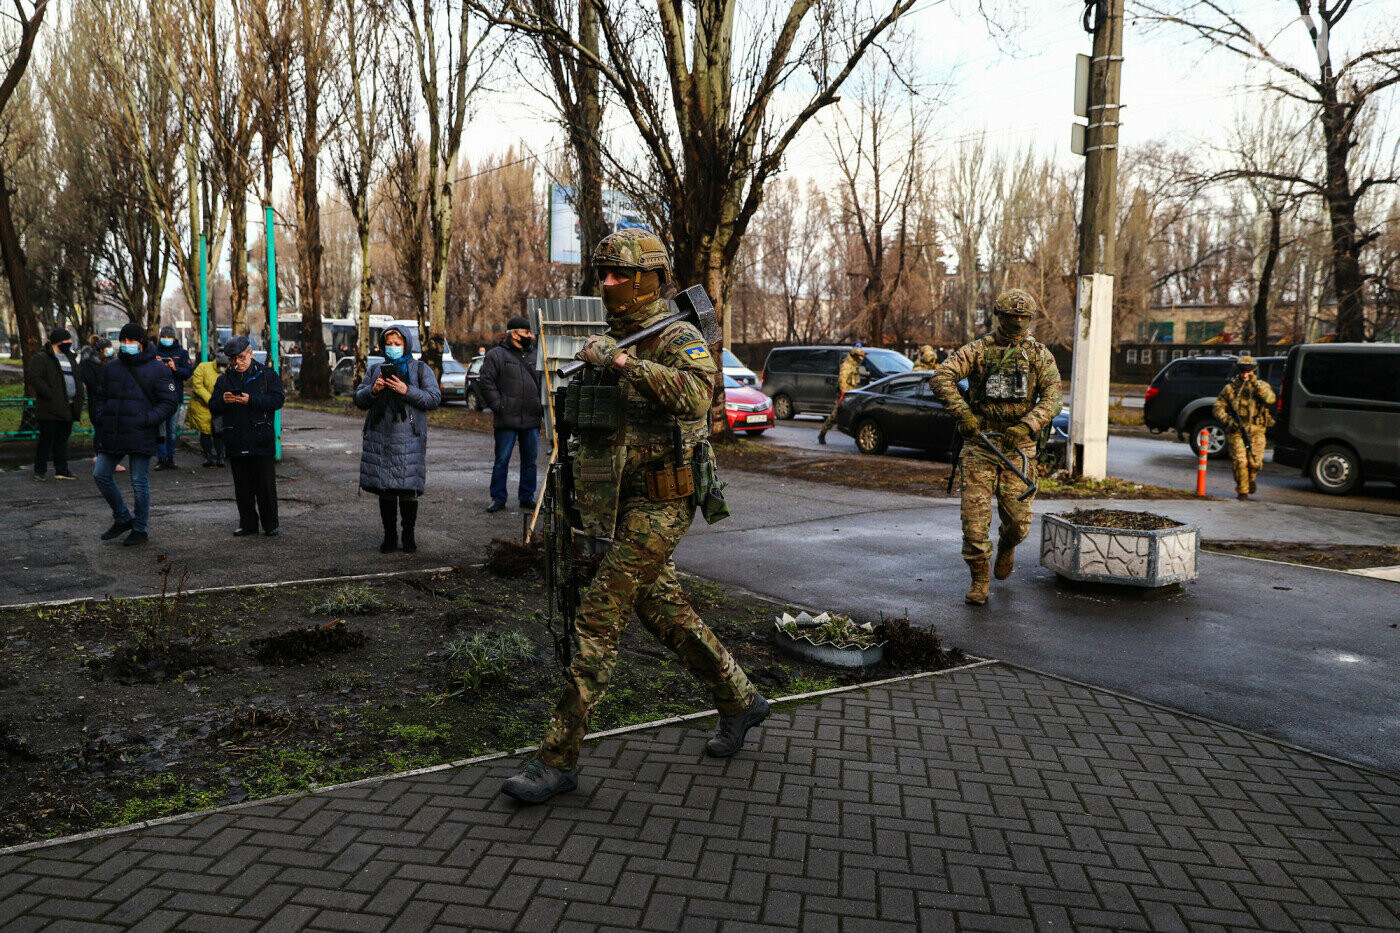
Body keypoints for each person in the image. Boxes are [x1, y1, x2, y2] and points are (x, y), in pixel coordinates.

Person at [501, 229, 768, 805]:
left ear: (648, 277)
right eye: (603, 273)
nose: (607, 283)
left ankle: (557, 758)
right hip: (616, 501)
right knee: (663, 609)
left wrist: (623, 362)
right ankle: (741, 700)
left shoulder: (676, 336)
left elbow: (697, 395)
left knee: (599, 617)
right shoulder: (614, 335)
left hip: (664, 499)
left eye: (619, 274)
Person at [930, 289, 1062, 605]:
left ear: (1030, 319)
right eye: (1011, 316)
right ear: (998, 316)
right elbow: (941, 377)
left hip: (1020, 449)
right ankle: (979, 579)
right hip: (980, 446)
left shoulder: (1039, 355)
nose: (1017, 321)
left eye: (1023, 316)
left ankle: (1007, 545)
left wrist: (1026, 425)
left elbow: (1054, 398)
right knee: (974, 525)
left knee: (1018, 524)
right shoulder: (977, 350)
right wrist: (962, 412)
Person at [354, 325, 441, 552]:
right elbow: (359, 399)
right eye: (389, 344)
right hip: (381, 437)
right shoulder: (375, 369)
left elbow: (433, 398)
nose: (393, 348)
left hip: (409, 438)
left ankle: (408, 535)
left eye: (397, 343)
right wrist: (374, 390)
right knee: (386, 489)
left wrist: (406, 390)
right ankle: (390, 536)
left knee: (407, 487)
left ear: (407, 344)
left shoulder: (421, 369)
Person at [93, 322, 180, 546]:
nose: (126, 345)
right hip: (114, 431)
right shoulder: (113, 367)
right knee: (101, 474)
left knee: (138, 481)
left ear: (141, 342)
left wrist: (147, 419)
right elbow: (101, 395)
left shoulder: (158, 368)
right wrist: (102, 415)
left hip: (141, 432)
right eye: (123, 341)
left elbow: (169, 403)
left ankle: (140, 528)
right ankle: (122, 517)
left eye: (130, 341)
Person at [210, 336, 285, 536]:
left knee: (265, 486)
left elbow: (277, 400)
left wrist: (251, 400)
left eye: (241, 357)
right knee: (242, 487)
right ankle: (248, 523)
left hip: (260, 437)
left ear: (251, 353)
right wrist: (224, 401)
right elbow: (213, 406)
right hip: (236, 437)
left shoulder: (267, 375)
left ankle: (271, 524)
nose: (237, 363)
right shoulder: (224, 379)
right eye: (233, 359)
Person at [478, 314, 543, 513]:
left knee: (530, 461)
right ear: (514, 334)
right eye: (526, 333)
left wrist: (541, 408)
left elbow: (543, 382)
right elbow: (486, 382)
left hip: (531, 417)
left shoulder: (536, 355)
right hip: (507, 417)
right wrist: (500, 406)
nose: (530, 336)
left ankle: (527, 496)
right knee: (502, 460)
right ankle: (498, 498)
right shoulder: (496, 355)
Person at [26, 326, 85, 481]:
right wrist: (50, 393)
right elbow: (34, 377)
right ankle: (40, 470)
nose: (70, 342)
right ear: (58, 341)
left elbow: (76, 378)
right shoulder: (42, 358)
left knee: (62, 440)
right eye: (67, 340)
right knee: (46, 439)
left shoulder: (70, 357)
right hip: (50, 407)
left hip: (69, 406)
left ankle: (62, 469)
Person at [1212, 355, 1275, 501]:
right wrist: (1228, 421)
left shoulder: (1261, 386)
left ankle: (1250, 479)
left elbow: (1270, 399)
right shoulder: (1231, 388)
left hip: (1257, 429)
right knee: (1240, 461)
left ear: (1254, 371)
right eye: (1242, 371)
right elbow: (1217, 407)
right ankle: (1242, 491)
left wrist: (1256, 386)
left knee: (1255, 463)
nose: (1245, 374)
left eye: (1248, 371)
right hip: (1237, 430)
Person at [152, 325, 194, 470]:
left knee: (172, 430)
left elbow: (188, 373)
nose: (166, 339)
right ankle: (161, 458)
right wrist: (155, 364)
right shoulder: (154, 352)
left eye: (169, 337)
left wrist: (174, 368)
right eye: (164, 337)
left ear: (174, 338)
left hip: (174, 397)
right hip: (158, 397)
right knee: (160, 430)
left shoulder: (181, 353)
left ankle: (171, 457)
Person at [79, 337, 124, 472]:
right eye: (107, 348)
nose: (110, 350)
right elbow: (92, 384)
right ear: (100, 351)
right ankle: (102, 458)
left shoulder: (113, 362)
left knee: (111, 432)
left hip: (114, 403)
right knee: (101, 431)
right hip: (98, 403)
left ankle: (108, 459)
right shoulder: (89, 364)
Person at [816, 345, 866, 444]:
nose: (861, 359)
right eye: (860, 357)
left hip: (852, 394)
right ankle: (822, 433)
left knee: (854, 415)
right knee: (835, 415)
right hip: (845, 395)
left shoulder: (854, 365)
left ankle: (857, 438)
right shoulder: (846, 366)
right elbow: (842, 381)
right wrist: (845, 395)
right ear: (855, 356)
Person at [185, 352, 227, 468]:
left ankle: (220, 456)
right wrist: (211, 401)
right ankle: (208, 456)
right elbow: (198, 386)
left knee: (218, 432)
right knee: (205, 432)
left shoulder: (228, 372)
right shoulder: (203, 367)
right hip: (202, 406)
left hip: (217, 407)